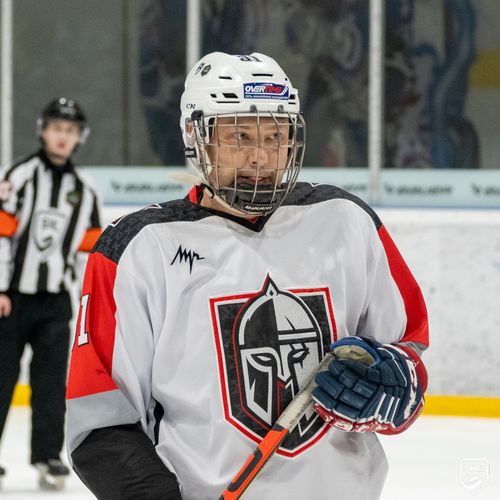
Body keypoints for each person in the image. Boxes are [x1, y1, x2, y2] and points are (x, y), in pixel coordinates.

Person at [66, 53, 429, 500]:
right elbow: (100, 423)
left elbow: (407, 349)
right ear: (196, 138)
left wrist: (396, 389)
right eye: (239, 135)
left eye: (275, 136)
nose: (261, 157)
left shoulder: (346, 221)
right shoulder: (139, 248)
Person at [0, 97, 102, 490]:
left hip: (56, 302)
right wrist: (1, 287)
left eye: (70, 130)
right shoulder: (19, 176)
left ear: (80, 137)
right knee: (2, 377)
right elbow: (2, 236)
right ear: (43, 131)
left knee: (50, 383)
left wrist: (86, 300)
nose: (63, 136)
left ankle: (47, 455)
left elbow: (88, 253)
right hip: (12, 299)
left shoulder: (85, 190)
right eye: (57, 128)